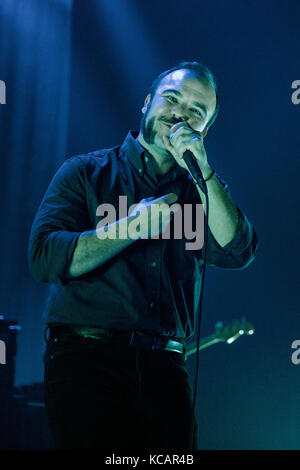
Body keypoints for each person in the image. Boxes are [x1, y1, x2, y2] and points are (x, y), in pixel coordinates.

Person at [28, 61, 258, 450]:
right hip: (86, 359)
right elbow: (44, 257)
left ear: (205, 129)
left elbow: (239, 250)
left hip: (167, 367)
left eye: (196, 112)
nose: (180, 114)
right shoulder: (85, 173)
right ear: (147, 102)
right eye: (171, 98)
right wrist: (129, 227)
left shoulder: (202, 191)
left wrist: (203, 168)